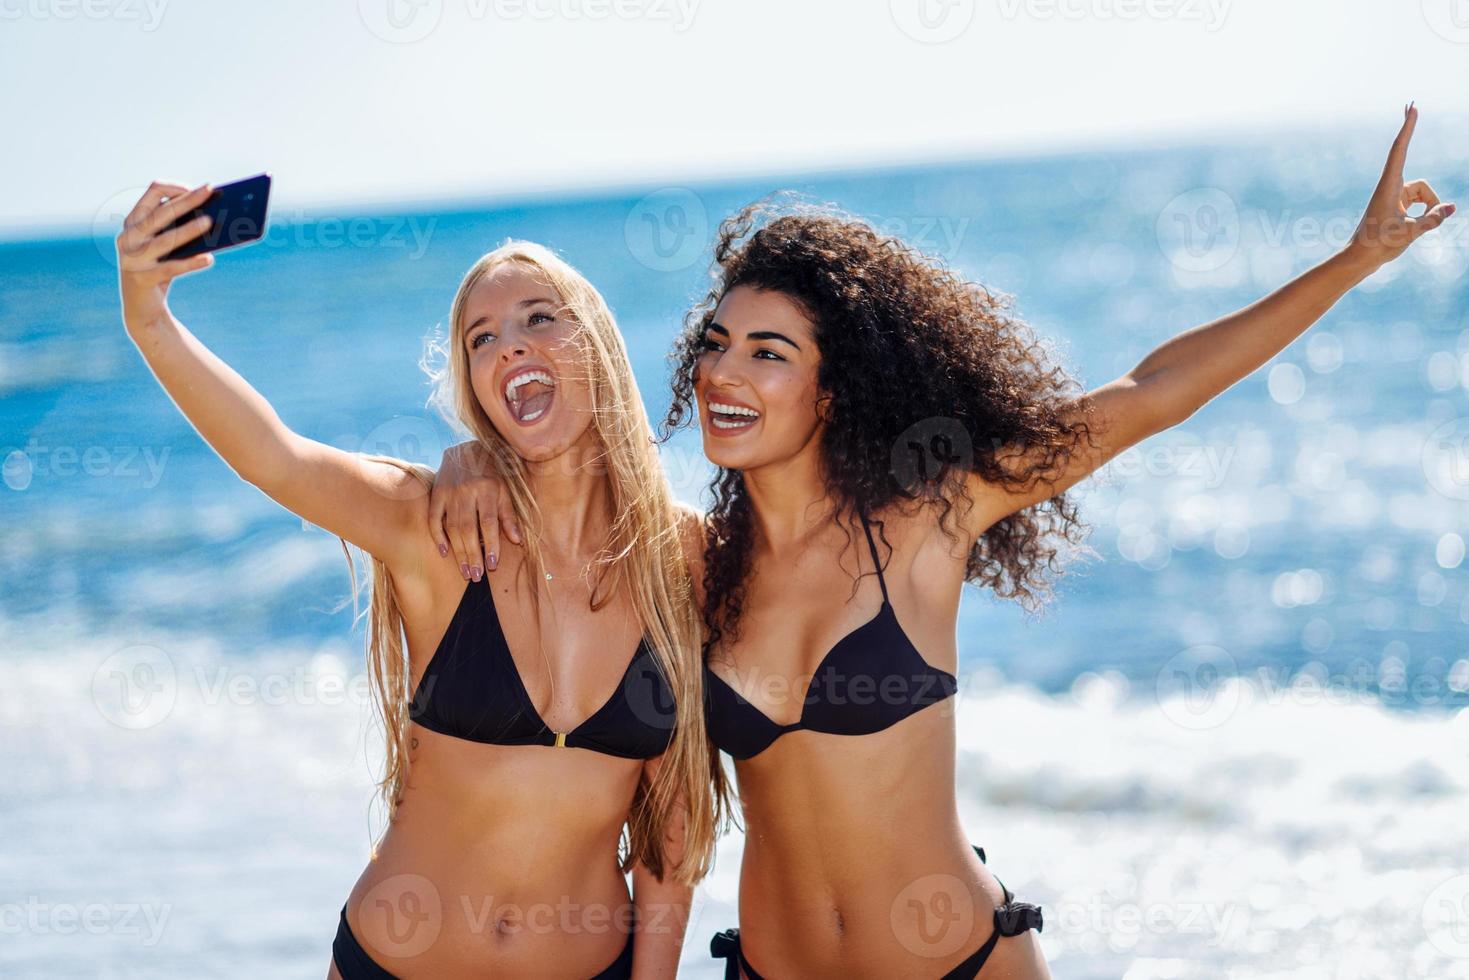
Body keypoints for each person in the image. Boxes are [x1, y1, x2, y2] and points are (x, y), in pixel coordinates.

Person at [428, 104, 1452, 978]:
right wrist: (467, 460)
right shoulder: (693, 562)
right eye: (715, 343)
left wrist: (1352, 260)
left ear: (831, 388)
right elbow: (564, 506)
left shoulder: (923, 522)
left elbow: (1149, 394)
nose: (723, 374)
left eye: (768, 352)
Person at [115, 215, 726, 977]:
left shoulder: (686, 557)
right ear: (475, 384)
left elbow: (672, 825)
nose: (509, 344)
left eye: (539, 318)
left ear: (597, 346)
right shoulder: (431, 524)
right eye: (481, 338)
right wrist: (149, 316)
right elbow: (273, 456)